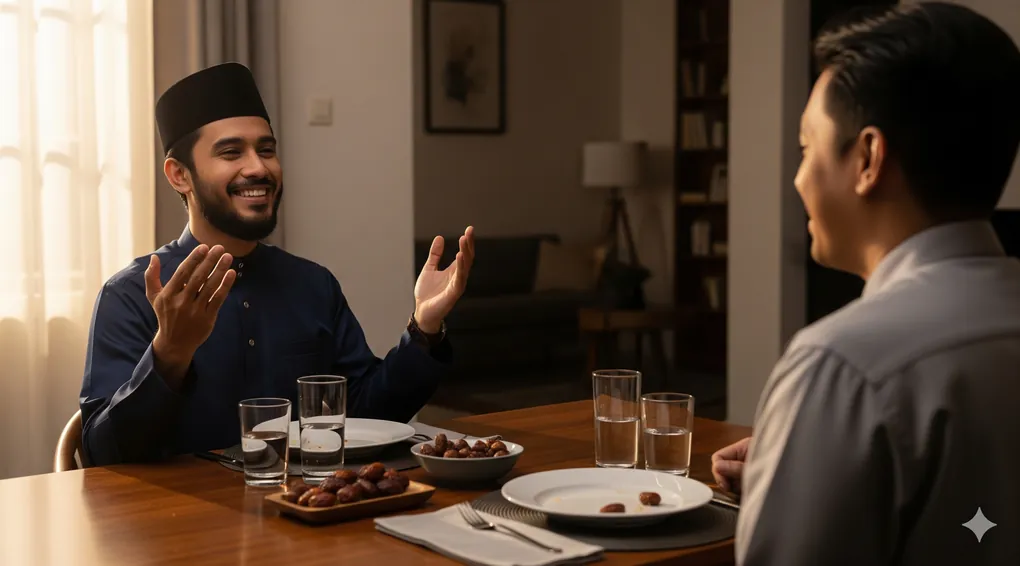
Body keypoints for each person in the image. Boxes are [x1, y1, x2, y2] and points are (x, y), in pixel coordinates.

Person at [713, 3, 1020, 565]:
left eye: (807, 147)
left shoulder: (842, 366)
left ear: (868, 159)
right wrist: (813, 459)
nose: (799, 177)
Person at [79, 62, 475, 466]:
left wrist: (424, 329)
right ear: (180, 175)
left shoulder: (313, 284)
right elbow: (104, 454)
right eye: (232, 152)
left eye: (266, 150)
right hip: (182, 523)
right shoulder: (132, 294)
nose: (258, 168)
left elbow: (366, 415)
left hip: (308, 512)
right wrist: (169, 353)